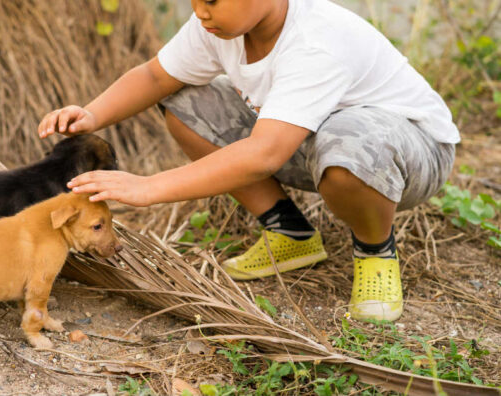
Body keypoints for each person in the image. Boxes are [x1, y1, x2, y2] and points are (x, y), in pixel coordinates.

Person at [37, 0, 458, 322]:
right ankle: (290, 234)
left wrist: (148, 187)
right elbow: (155, 77)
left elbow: (266, 153)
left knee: (346, 142)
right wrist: (92, 114)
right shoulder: (217, 25)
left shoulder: (316, 38)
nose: (200, 11)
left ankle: (375, 251)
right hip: (311, 140)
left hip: (408, 155)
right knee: (185, 100)